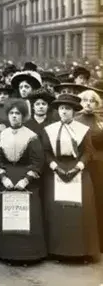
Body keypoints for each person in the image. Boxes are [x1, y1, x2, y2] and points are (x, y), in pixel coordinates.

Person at [42, 94, 100, 262]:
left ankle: (82, 252)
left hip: (78, 169)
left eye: (68, 109)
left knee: (80, 210)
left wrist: (78, 167)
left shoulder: (83, 129)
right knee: (58, 211)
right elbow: (46, 152)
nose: (64, 112)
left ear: (74, 111)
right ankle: (58, 251)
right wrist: (55, 167)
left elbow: (88, 151)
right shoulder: (50, 129)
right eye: (61, 108)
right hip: (56, 169)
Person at [0, 98, 47, 262]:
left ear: (23, 116)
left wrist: (26, 180)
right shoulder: (1, 134)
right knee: (7, 216)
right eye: (11, 113)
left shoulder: (32, 136)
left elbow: (38, 161)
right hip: (7, 179)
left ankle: (28, 254)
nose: (14, 116)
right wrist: (2, 177)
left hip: (26, 179)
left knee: (27, 216)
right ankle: (6, 253)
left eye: (18, 113)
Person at [76, 88, 103, 252]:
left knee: (100, 200)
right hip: (83, 165)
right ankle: (83, 243)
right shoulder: (76, 120)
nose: (88, 103)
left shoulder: (101, 121)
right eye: (85, 100)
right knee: (85, 202)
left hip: (100, 166)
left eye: (92, 101)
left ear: (97, 104)